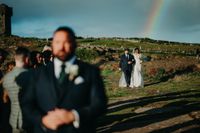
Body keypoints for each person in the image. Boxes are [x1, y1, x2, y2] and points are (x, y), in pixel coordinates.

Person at [20, 26, 107, 133]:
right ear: (52, 45)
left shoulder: (90, 71)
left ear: (75, 44)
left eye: (66, 42)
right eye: (57, 42)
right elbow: (26, 104)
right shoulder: (36, 74)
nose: (61, 47)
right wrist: (42, 120)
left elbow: (100, 104)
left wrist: (74, 115)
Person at [3, 47, 30, 133]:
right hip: (28, 119)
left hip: (14, 119)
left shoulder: (6, 77)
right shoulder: (31, 76)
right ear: (26, 59)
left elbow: (5, 99)